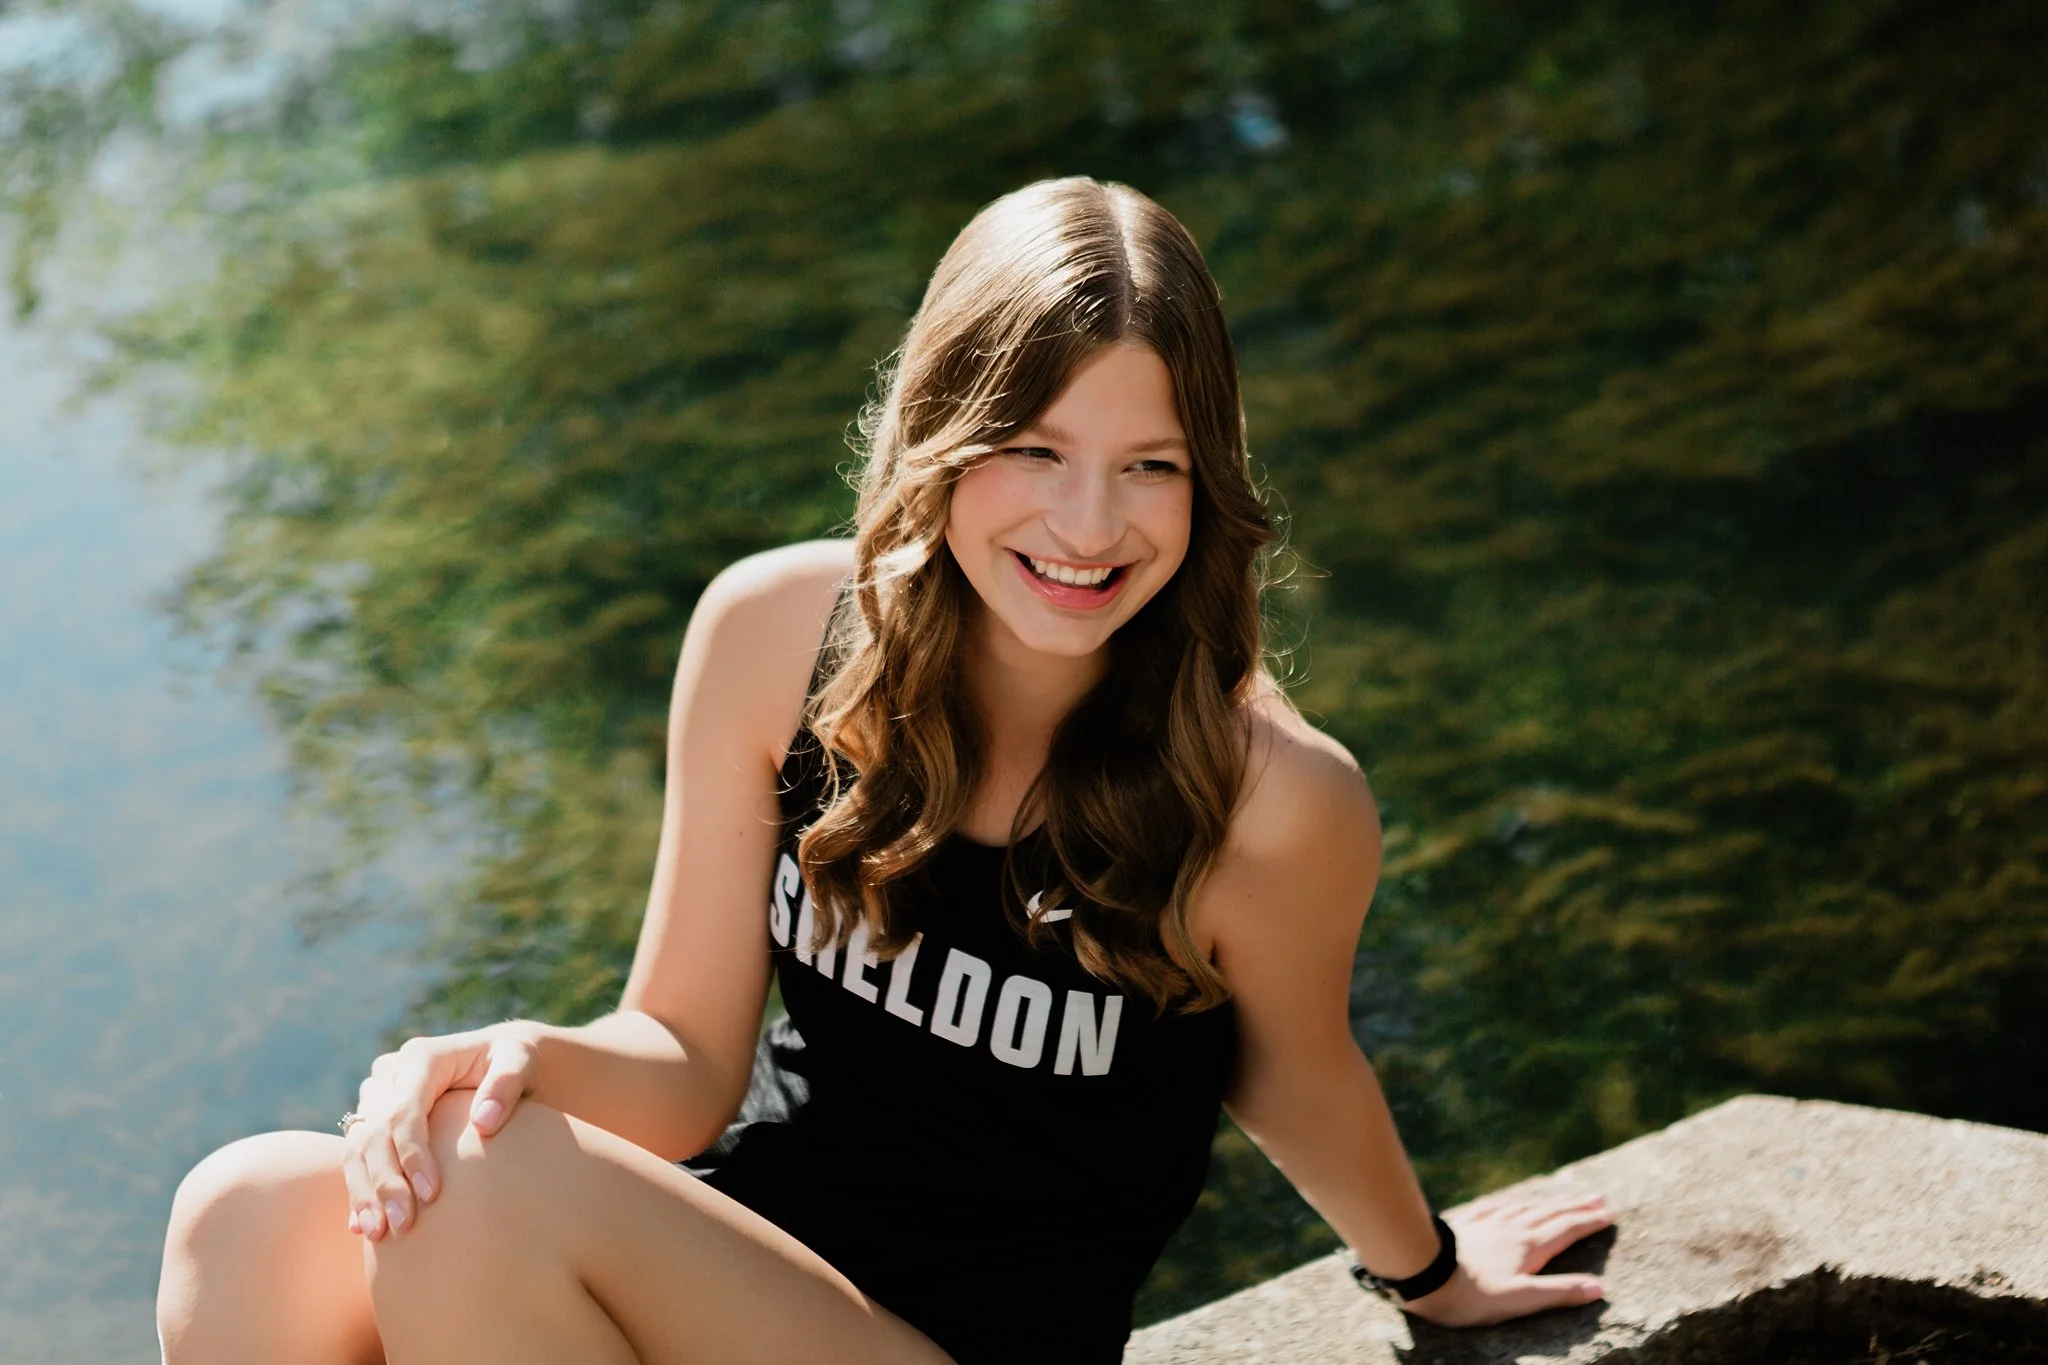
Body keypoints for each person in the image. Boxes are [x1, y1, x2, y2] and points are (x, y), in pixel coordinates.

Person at [156, 176, 1611, 1365]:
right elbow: (681, 1064)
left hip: (978, 1345)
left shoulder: (1269, 797)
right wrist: (526, 1058)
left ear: (1209, 478)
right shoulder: (776, 638)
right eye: (1034, 450)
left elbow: (1300, 1078)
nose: (1090, 525)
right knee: (246, 1218)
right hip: (759, 1267)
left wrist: (1428, 1275)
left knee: (484, 1192)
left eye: (1151, 465)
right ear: (940, 434)